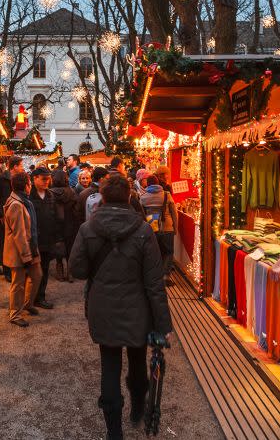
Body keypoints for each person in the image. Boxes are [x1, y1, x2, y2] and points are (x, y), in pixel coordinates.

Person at [69, 174, 173, 440]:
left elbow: (78, 269)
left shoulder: (88, 229)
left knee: (110, 364)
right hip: (138, 308)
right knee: (137, 360)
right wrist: (162, 325)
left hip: (102, 307)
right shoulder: (143, 230)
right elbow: (154, 283)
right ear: (129, 195)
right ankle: (138, 405)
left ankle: (113, 431)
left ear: (102, 196)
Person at [3, 171, 41, 327]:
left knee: (37, 275)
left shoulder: (24, 201)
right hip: (19, 250)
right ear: (26, 185)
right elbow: (19, 234)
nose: (30, 185)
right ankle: (15, 314)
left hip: (29, 246)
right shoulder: (17, 204)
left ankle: (28, 303)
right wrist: (26, 256)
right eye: (29, 183)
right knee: (18, 283)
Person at [140, 175, 178, 287]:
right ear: (158, 183)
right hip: (167, 227)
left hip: (151, 228)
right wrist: (175, 227)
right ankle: (166, 276)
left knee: (154, 252)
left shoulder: (143, 197)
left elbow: (142, 215)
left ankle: (154, 275)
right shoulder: (166, 195)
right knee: (168, 251)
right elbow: (174, 213)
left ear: (148, 184)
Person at [29, 167, 59, 309]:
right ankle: (29, 299)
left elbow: (55, 217)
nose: (47, 182)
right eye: (43, 179)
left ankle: (40, 297)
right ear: (35, 178)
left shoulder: (50, 195)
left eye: (48, 179)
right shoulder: (29, 196)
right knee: (31, 272)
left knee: (45, 270)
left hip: (48, 240)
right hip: (34, 241)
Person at [0, 156, 25, 281]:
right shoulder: (1, 178)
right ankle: (6, 271)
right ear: (15, 166)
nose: (22, 168)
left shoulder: (18, 179)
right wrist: (0, 215)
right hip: (3, 216)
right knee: (4, 243)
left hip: (15, 214)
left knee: (13, 242)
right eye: (21, 165)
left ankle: (11, 268)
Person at [50, 169, 78, 282]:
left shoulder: (50, 193)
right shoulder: (71, 191)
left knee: (58, 246)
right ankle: (70, 272)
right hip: (70, 222)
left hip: (56, 224)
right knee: (70, 247)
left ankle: (59, 270)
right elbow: (76, 209)